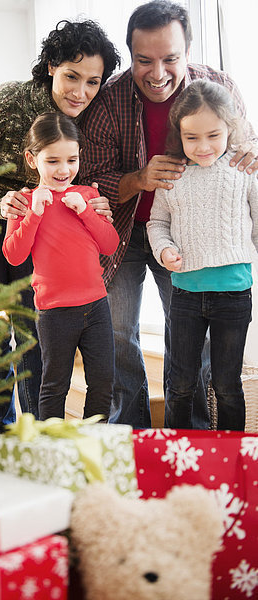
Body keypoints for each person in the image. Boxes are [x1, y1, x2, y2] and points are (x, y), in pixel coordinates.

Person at [77, 0, 258, 429]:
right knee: (121, 336)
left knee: (189, 343)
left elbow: (244, 148)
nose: (157, 74)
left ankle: (191, 435)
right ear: (130, 55)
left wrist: (252, 151)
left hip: (186, 236)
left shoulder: (219, 87)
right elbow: (92, 179)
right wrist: (139, 179)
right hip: (122, 232)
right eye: (144, 61)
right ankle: (132, 431)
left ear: (189, 49)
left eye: (170, 59)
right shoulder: (108, 101)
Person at [0, 20, 121, 430]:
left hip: (34, 220)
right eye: (71, 77)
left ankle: (36, 432)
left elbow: (80, 178)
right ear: (49, 67)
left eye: (92, 82)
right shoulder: (8, 100)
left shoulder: (90, 115)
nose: (80, 92)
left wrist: (95, 203)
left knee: (33, 325)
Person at [147, 80, 258, 430]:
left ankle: (232, 456)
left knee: (227, 385)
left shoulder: (244, 172)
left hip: (233, 296)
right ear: (178, 134)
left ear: (230, 129)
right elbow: (156, 223)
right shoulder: (172, 176)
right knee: (180, 385)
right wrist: (164, 249)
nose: (203, 146)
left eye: (213, 135)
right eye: (191, 137)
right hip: (185, 296)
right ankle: (178, 455)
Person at [3, 112, 119, 420]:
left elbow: (110, 244)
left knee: (103, 383)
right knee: (54, 386)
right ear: (32, 159)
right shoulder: (24, 202)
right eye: (52, 160)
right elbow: (13, 255)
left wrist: (85, 211)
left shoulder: (88, 195)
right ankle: (50, 452)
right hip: (54, 313)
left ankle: (93, 445)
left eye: (71, 160)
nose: (64, 169)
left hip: (96, 306)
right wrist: (35, 214)